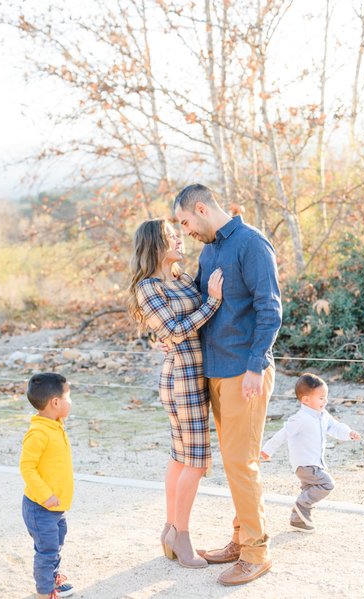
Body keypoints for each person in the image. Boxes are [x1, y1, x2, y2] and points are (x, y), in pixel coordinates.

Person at [173, 183, 282, 586]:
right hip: (216, 371)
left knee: (241, 463)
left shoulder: (252, 244)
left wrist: (256, 366)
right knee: (237, 462)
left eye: (186, 221)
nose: (185, 230)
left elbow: (269, 308)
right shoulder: (210, 250)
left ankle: (256, 553)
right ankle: (239, 541)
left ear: (201, 208)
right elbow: (203, 304)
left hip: (244, 371)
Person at [128, 218, 223, 568]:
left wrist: (166, 338)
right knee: (197, 461)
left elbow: (173, 332)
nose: (179, 241)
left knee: (181, 457)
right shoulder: (149, 288)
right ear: (154, 246)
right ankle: (182, 536)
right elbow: (175, 331)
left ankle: (170, 529)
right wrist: (211, 303)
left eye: (178, 234)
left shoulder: (181, 277)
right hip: (181, 378)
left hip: (194, 373)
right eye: (170, 237)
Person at [261, 372, 361, 532]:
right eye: (321, 398)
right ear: (306, 400)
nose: (325, 401)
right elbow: (283, 434)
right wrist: (267, 450)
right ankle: (301, 505)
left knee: (310, 489)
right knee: (326, 484)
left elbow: (335, 427)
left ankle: (298, 520)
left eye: (325, 397)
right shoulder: (300, 418)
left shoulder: (323, 415)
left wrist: (348, 433)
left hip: (315, 463)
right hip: (305, 464)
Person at [20, 373, 74, 599]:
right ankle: (44, 592)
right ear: (55, 402)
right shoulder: (38, 433)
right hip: (41, 508)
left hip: (55, 508)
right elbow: (27, 468)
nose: (71, 401)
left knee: (57, 542)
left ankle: (52, 576)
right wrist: (45, 495)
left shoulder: (54, 424)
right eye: (68, 396)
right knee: (47, 550)